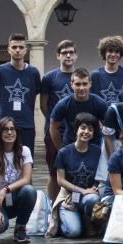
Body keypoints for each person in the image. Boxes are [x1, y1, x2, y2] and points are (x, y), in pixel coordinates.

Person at [0, 33, 41, 160]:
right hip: (3, 125)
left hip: (26, 124)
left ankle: (26, 181)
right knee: (1, 160)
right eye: (14, 47)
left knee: (26, 161)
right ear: (9, 49)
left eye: (21, 47)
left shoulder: (33, 73)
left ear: (26, 50)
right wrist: (2, 118)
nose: (17, 50)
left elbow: (32, 98)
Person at [54, 113, 103, 238]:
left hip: (89, 196)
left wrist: (93, 189)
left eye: (90, 129)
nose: (86, 132)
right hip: (68, 197)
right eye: (83, 128)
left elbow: (101, 176)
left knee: (92, 199)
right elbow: (60, 180)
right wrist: (82, 191)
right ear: (76, 130)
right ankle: (62, 220)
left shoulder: (98, 152)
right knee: (74, 232)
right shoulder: (63, 153)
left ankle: (87, 220)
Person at [40, 39, 78, 199]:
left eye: (71, 52)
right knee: (54, 171)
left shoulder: (80, 76)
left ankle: (72, 203)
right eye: (64, 53)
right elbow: (43, 105)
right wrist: (54, 122)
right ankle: (53, 204)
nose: (68, 56)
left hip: (76, 131)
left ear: (76, 56)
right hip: (54, 131)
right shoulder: (49, 77)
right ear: (58, 56)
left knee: (75, 168)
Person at [50, 68, 108, 166]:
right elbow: (53, 127)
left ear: (90, 84)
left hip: (95, 145)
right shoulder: (63, 104)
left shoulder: (100, 103)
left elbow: (109, 128)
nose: (81, 88)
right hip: (70, 143)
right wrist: (61, 149)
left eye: (84, 84)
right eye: (78, 84)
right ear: (71, 84)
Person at [91, 35, 123, 103]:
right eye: (110, 51)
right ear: (104, 53)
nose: (113, 54)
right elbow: (93, 100)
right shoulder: (95, 75)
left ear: (121, 54)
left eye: (116, 52)